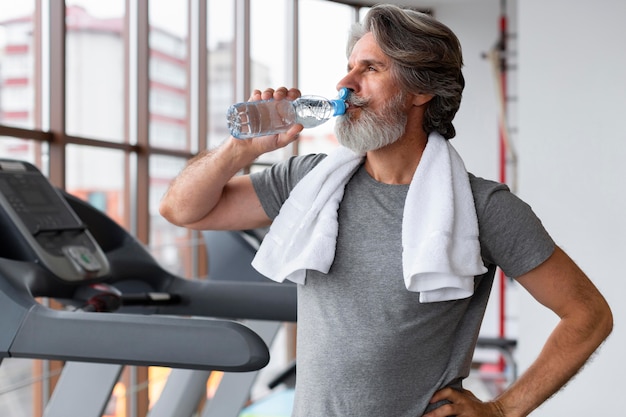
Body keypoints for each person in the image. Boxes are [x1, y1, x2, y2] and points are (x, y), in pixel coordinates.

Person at [159, 4, 612, 417]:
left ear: (420, 91)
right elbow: (183, 210)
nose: (345, 83)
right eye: (349, 67)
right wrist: (241, 148)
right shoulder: (310, 182)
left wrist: (503, 410)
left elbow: (588, 314)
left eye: (370, 68)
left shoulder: (484, 207)